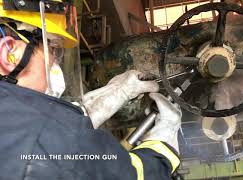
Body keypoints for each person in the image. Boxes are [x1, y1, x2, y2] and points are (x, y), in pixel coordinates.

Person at [0, 0, 181, 180]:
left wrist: (105, 100)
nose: (55, 64)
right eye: (53, 49)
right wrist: (165, 143)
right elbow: (132, 175)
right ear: (10, 54)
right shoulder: (45, 143)